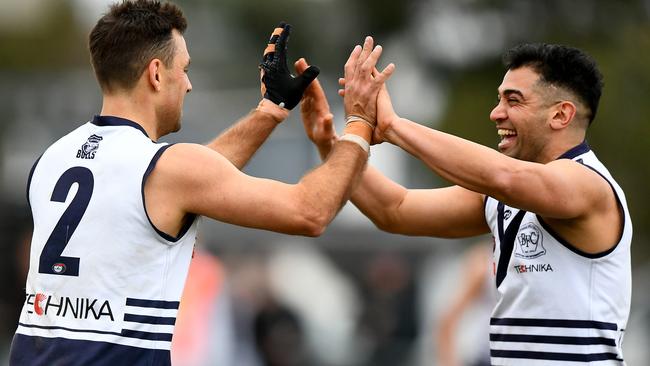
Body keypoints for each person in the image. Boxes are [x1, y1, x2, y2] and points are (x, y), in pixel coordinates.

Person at [9, 0, 395, 364]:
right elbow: (310, 212)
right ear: (156, 74)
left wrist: (270, 110)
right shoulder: (166, 170)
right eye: (185, 69)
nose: (189, 85)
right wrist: (359, 123)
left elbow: (186, 185)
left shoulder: (52, 159)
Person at [300, 43, 632, 364]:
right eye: (498, 99)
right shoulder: (506, 195)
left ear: (561, 114)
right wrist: (332, 143)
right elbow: (394, 210)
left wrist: (391, 126)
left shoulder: (588, 185)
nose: (496, 113)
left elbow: (505, 177)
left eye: (513, 101)